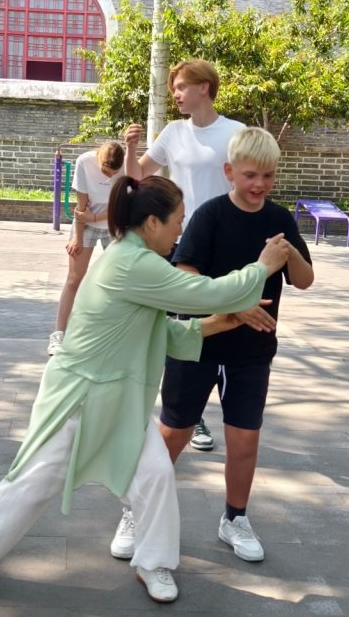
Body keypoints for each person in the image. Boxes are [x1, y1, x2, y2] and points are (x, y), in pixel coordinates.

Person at [0, 176, 291, 604]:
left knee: (156, 475)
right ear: (153, 222)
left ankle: (153, 562)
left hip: (120, 401)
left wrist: (224, 321)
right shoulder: (131, 263)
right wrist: (263, 267)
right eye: (177, 221)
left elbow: (165, 335)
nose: (181, 230)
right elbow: (205, 291)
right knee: (31, 485)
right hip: (79, 399)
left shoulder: (140, 261)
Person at [113, 127, 313, 565]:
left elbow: (303, 280)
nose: (259, 184)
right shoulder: (209, 215)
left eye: (268, 176)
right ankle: (136, 512)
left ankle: (235, 519)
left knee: (244, 441)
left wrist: (289, 252)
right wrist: (235, 307)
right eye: (250, 175)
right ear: (229, 172)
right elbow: (184, 277)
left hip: (253, 351)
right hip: (197, 341)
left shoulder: (280, 219)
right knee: (172, 435)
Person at [123, 59, 245, 452]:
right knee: (183, 328)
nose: (175, 93)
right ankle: (188, 417)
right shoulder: (173, 132)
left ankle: (226, 410)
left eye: (181, 86)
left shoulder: (236, 132)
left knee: (223, 326)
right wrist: (130, 148)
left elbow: (250, 182)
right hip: (181, 244)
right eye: (174, 86)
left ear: (205, 88)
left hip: (225, 244)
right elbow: (137, 177)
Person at [47, 141, 124, 355]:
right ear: (98, 158)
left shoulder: (127, 166)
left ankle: (110, 336)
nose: (109, 177)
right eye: (105, 171)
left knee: (115, 280)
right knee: (74, 278)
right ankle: (58, 335)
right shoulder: (84, 162)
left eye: (113, 173)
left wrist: (96, 216)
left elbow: (122, 206)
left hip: (114, 223)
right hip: (86, 224)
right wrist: (78, 238)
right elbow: (81, 208)